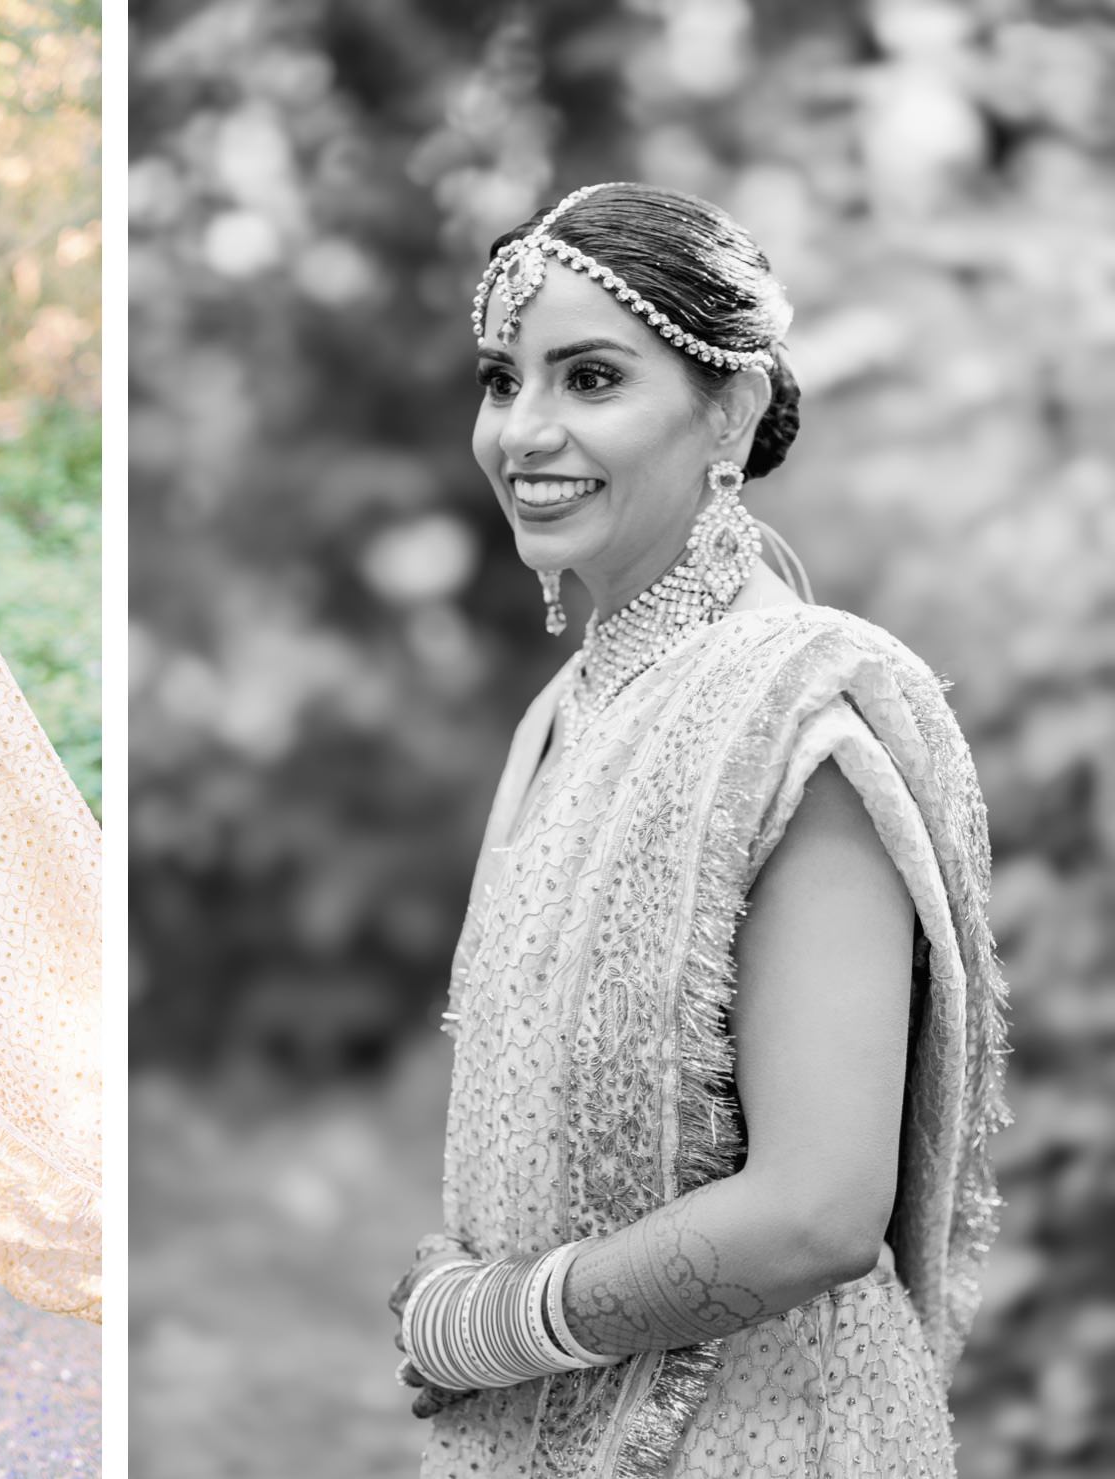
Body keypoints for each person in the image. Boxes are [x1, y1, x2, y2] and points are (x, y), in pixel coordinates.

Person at [386, 183, 1009, 1476]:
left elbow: (820, 1210)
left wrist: (488, 1323)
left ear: (727, 411)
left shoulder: (796, 715)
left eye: (592, 379)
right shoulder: (570, 709)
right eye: (504, 381)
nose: (525, 432)